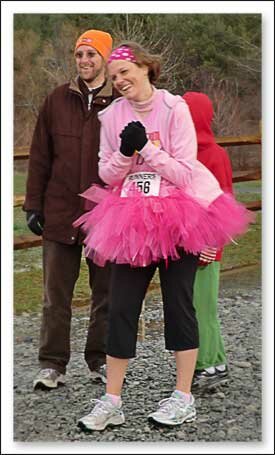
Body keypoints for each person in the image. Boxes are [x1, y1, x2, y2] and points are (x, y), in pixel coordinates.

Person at [74, 41, 254, 431]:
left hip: (178, 216)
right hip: (129, 221)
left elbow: (186, 172)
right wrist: (125, 153)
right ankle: (112, 400)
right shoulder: (111, 116)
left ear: (145, 68)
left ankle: (183, 396)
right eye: (115, 74)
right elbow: (106, 175)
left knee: (179, 305)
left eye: (126, 72)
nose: (119, 80)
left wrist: (146, 149)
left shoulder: (174, 108)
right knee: (120, 306)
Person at [23, 29, 115, 390]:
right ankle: (52, 364)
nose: (85, 61)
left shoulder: (119, 101)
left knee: (106, 293)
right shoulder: (56, 100)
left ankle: (101, 359)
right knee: (55, 296)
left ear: (104, 58)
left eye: (91, 54)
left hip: (105, 217)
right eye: (80, 55)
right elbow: (39, 157)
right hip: (60, 212)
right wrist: (33, 205)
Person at [183, 91, 233, 389]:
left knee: (204, 308)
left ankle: (210, 365)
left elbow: (224, 203)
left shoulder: (215, 155)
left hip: (207, 248)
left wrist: (213, 242)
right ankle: (214, 360)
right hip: (184, 244)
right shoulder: (182, 154)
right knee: (190, 306)